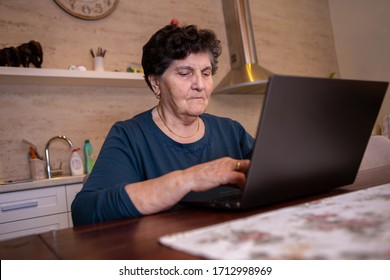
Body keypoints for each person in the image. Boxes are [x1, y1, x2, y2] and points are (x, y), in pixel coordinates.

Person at [71, 24, 254, 226]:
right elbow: (84, 211)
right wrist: (188, 179)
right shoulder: (130, 136)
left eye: (206, 73)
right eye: (185, 73)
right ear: (156, 83)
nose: (200, 84)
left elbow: (275, 173)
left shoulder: (231, 131)